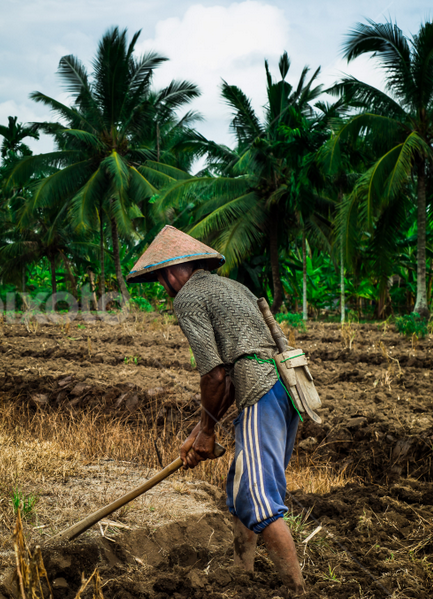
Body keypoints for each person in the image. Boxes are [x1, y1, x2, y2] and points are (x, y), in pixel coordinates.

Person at [126, 225, 305, 594]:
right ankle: (243, 575)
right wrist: (200, 429)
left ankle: (298, 590)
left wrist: (207, 432)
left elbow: (215, 373)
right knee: (242, 489)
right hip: (287, 388)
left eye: (161, 278)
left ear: (175, 271)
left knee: (257, 495)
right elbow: (230, 373)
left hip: (260, 389)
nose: (163, 287)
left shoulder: (188, 297)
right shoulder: (235, 287)